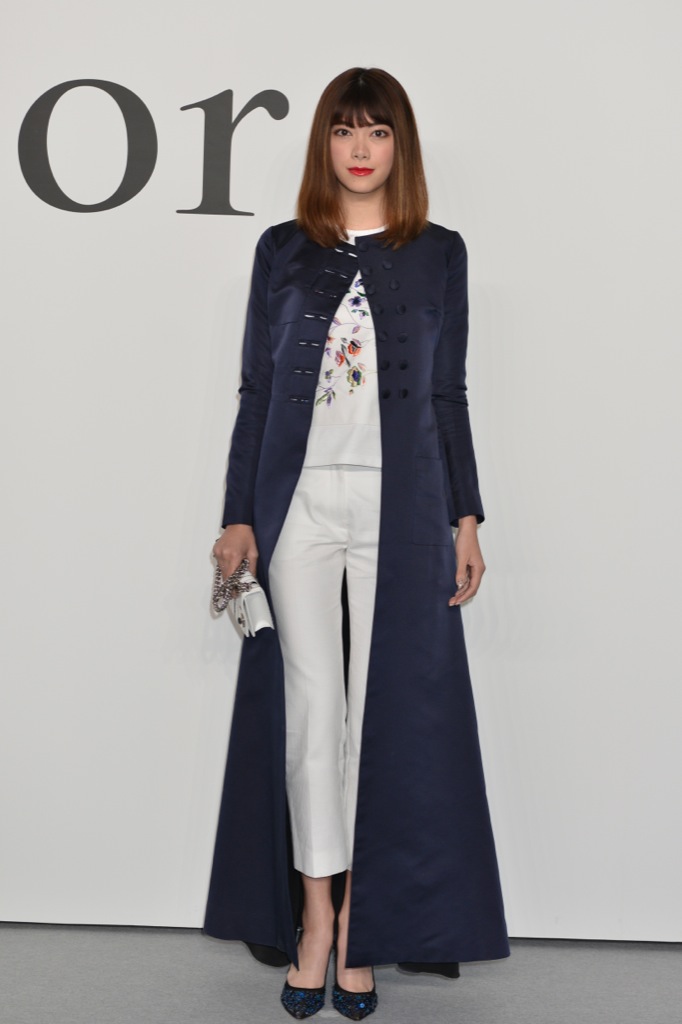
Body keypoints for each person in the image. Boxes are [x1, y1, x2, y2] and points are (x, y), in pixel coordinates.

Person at [204, 67, 510, 1020]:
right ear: (324, 144)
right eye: (345, 130)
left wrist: (466, 517)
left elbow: (449, 393)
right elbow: (257, 389)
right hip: (297, 505)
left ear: (400, 145)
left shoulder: (440, 253)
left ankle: (365, 928)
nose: (361, 148)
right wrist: (238, 513)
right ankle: (317, 921)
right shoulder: (283, 249)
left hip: (402, 507)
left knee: (384, 720)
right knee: (311, 715)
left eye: (378, 131)